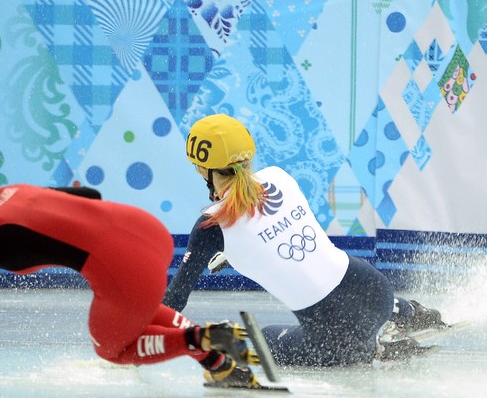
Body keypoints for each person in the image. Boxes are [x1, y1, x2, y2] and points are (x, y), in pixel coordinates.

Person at [0, 141, 263, 398]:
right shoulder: (13, 192)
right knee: (132, 311)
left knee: (113, 349)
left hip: (124, 270)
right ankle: (221, 365)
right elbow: (91, 195)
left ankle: (199, 338)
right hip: (148, 233)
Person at [170, 113, 447, 367]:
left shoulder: (210, 227)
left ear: (201, 169)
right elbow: (271, 230)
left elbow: (175, 300)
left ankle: (374, 348)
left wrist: (136, 340)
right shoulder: (278, 177)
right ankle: (410, 311)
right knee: (349, 292)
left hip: (335, 341)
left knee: (258, 340)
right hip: (375, 289)